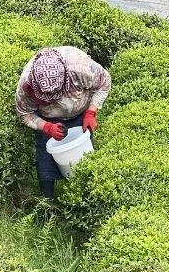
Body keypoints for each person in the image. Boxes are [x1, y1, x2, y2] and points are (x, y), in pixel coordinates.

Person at [15, 46, 111, 199]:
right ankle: (47, 204)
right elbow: (25, 113)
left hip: (80, 111)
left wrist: (91, 112)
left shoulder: (80, 67)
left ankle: (88, 198)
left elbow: (104, 83)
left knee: (84, 160)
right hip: (48, 119)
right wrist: (45, 127)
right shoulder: (26, 84)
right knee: (45, 162)